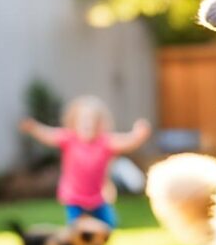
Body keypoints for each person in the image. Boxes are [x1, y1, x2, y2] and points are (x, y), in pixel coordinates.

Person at [20, 95, 150, 228]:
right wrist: (34, 128)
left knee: (109, 224)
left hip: (97, 197)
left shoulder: (104, 142)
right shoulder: (69, 139)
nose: (88, 124)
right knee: (77, 229)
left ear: (100, 124)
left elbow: (126, 142)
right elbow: (49, 135)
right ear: (74, 122)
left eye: (92, 121)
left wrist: (138, 135)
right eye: (84, 120)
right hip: (74, 197)